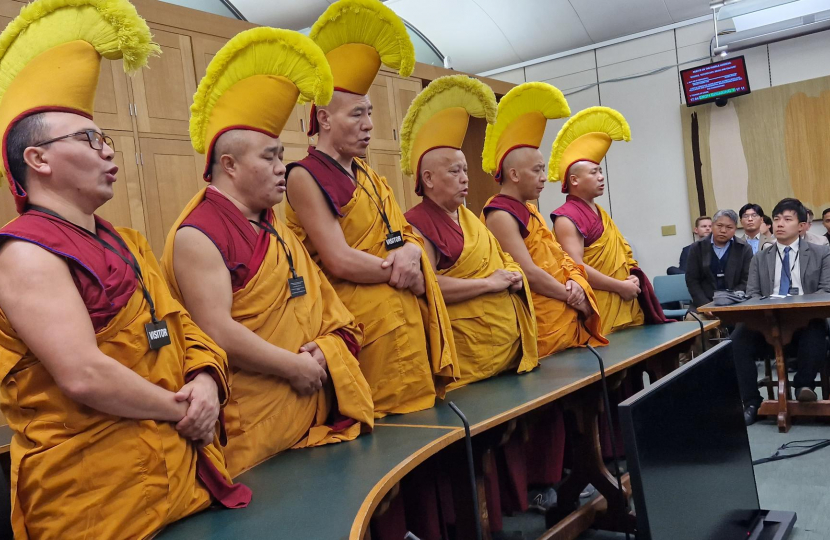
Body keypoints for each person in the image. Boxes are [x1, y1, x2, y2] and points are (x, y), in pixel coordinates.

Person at [0, 1, 250, 537]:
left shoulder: (127, 243)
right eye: (89, 140)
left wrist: (206, 380)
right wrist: (181, 409)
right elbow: (82, 373)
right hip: (95, 491)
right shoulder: (25, 253)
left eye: (107, 140)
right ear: (38, 160)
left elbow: (185, 328)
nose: (107, 153)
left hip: (176, 468)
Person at [160, 28, 374, 477]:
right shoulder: (198, 234)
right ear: (230, 165)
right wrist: (292, 366)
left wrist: (324, 350)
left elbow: (320, 303)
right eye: (270, 158)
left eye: (282, 157)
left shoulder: (272, 224)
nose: (282, 169)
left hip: (309, 406)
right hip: (253, 428)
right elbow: (215, 330)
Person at [285, 0, 458, 417]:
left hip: (405, 320)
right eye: (357, 114)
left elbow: (402, 234)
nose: (369, 125)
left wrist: (413, 252)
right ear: (324, 119)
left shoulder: (369, 177)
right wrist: (400, 271)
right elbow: (338, 259)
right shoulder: (304, 176)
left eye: (371, 114)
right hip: (363, 327)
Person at [401, 75, 539, 389]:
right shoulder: (416, 224)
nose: (465, 178)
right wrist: (489, 283)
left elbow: (503, 261)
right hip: (468, 359)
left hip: (507, 351)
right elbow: (427, 286)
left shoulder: (471, 219)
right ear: (429, 179)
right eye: (454, 171)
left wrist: (513, 275)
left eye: (465, 169)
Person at [481, 82, 606, 357]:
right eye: (537, 170)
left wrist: (575, 282)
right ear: (514, 175)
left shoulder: (531, 210)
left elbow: (559, 256)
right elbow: (527, 272)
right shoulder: (501, 213)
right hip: (544, 318)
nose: (543, 178)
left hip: (564, 310)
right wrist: (569, 294)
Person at [549, 107, 668, 335]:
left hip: (626, 301)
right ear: (574, 180)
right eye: (594, 173)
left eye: (600, 171)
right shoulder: (566, 217)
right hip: (601, 304)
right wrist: (620, 286)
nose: (601, 177)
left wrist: (630, 280)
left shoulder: (600, 212)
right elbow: (576, 268)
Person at [731, 198, 830, 425]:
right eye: (776, 219)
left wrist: (796, 307)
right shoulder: (760, 257)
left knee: (816, 330)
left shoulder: (820, 253)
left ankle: (802, 387)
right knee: (738, 339)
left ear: (802, 224)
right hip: (768, 322)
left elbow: (826, 291)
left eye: (787, 219)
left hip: (805, 321)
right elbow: (753, 294)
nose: (780, 224)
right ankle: (752, 402)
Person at [685, 210, 752, 310]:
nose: (723, 230)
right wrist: (705, 305)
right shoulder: (697, 248)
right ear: (712, 226)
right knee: (693, 322)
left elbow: (747, 280)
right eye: (719, 225)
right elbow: (692, 280)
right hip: (703, 302)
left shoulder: (744, 248)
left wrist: (730, 299)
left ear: (735, 229)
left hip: (736, 302)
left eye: (729, 227)